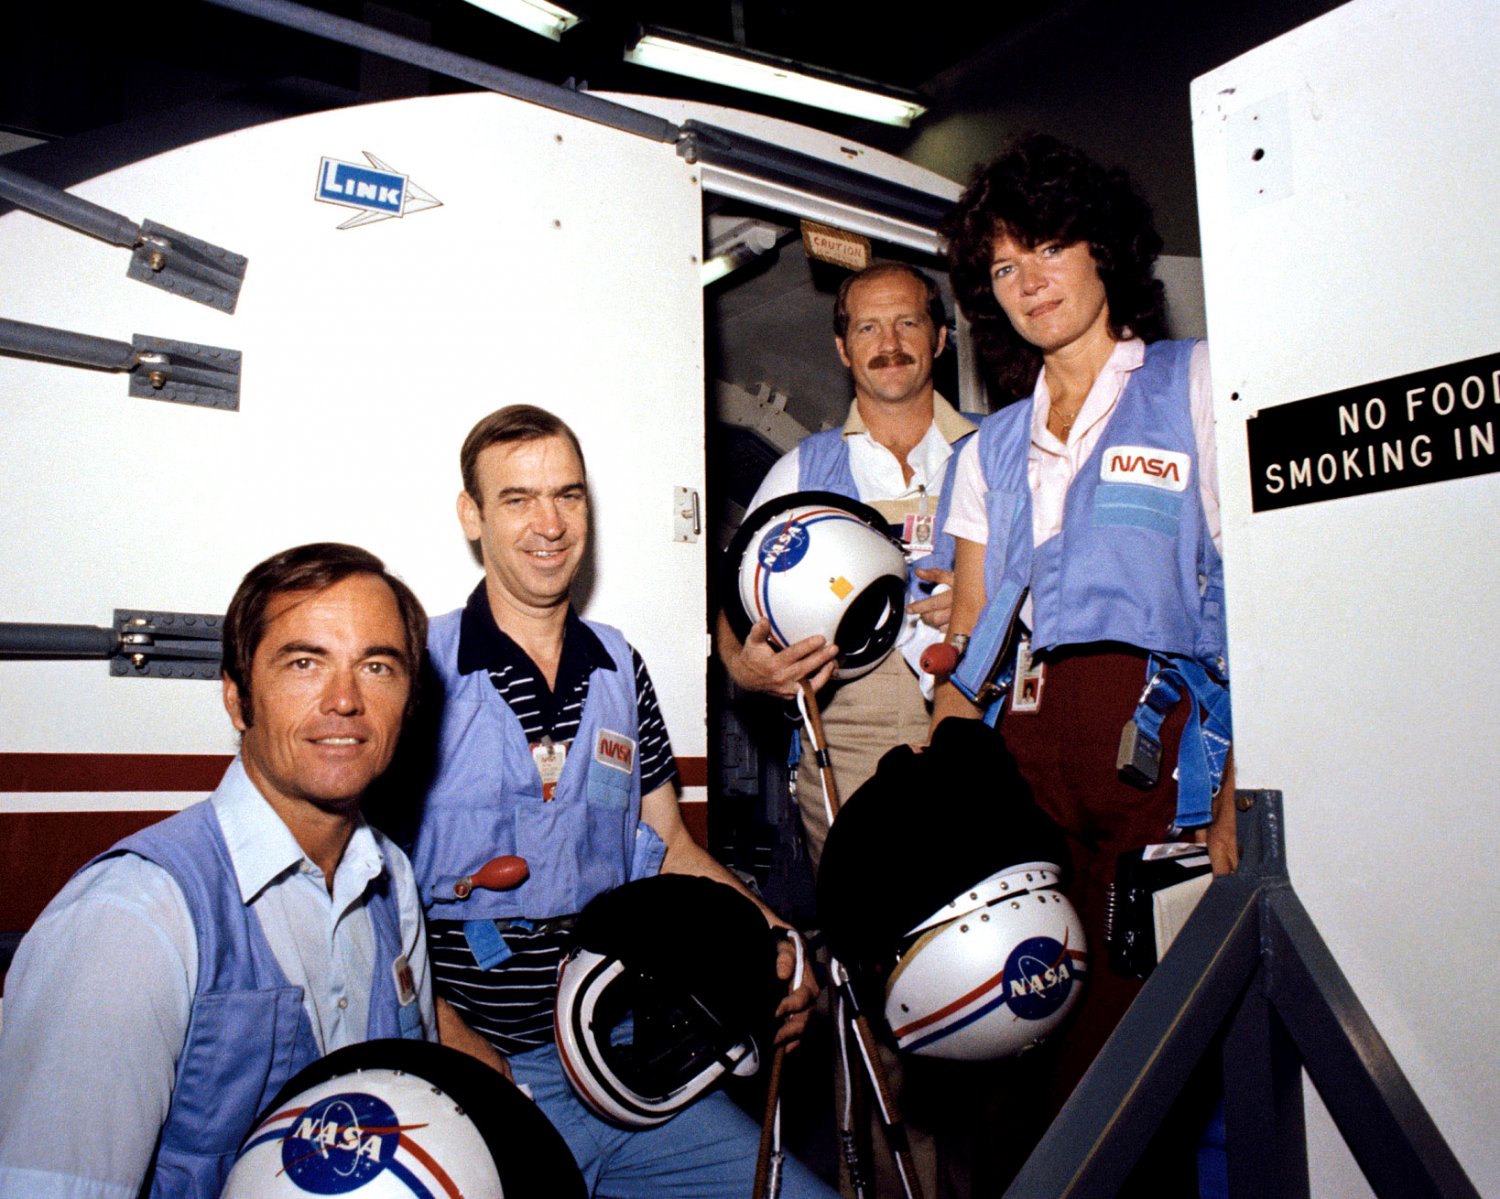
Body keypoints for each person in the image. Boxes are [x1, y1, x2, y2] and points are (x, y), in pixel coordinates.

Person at [405, 404, 835, 1198]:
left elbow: (667, 840)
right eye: (518, 498)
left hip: (624, 1053)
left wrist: (773, 935)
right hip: (479, 1069)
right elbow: (368, 894)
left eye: (568, 495)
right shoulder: (416, 666)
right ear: (472, 515)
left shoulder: (617, 664)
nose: (550, 523)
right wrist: (451, 1035)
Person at [932, 134, 1237, 1189]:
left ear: (1103, 252)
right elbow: (971, 629)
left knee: (1128, 1048)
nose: (1029, 283)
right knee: (1010, 1033)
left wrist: (1245, 779)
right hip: (1022, 760)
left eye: (1049, 248)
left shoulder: (1194, 388)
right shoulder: (987, 448)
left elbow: (1257, 593)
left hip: (1154, 755)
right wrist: (939, 786)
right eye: (1004, 268)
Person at [0, 543, 437, 1199]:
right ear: (237, 698)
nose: (344, 699)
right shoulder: (132, 918)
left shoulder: (391, 880)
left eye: (377, 666)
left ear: (408, 700)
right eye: (304, 662)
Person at [716, 262, 978, 864]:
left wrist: (995, 596)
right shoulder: (802, 470)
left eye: (908, 322)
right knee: (875, 933)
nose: (889, 345)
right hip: (856, 731)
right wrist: (748, 670)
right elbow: (734, 609)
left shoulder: (1002, 448)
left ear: (939, 337)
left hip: (991, 720)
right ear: (842, 348)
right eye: (867, 329)